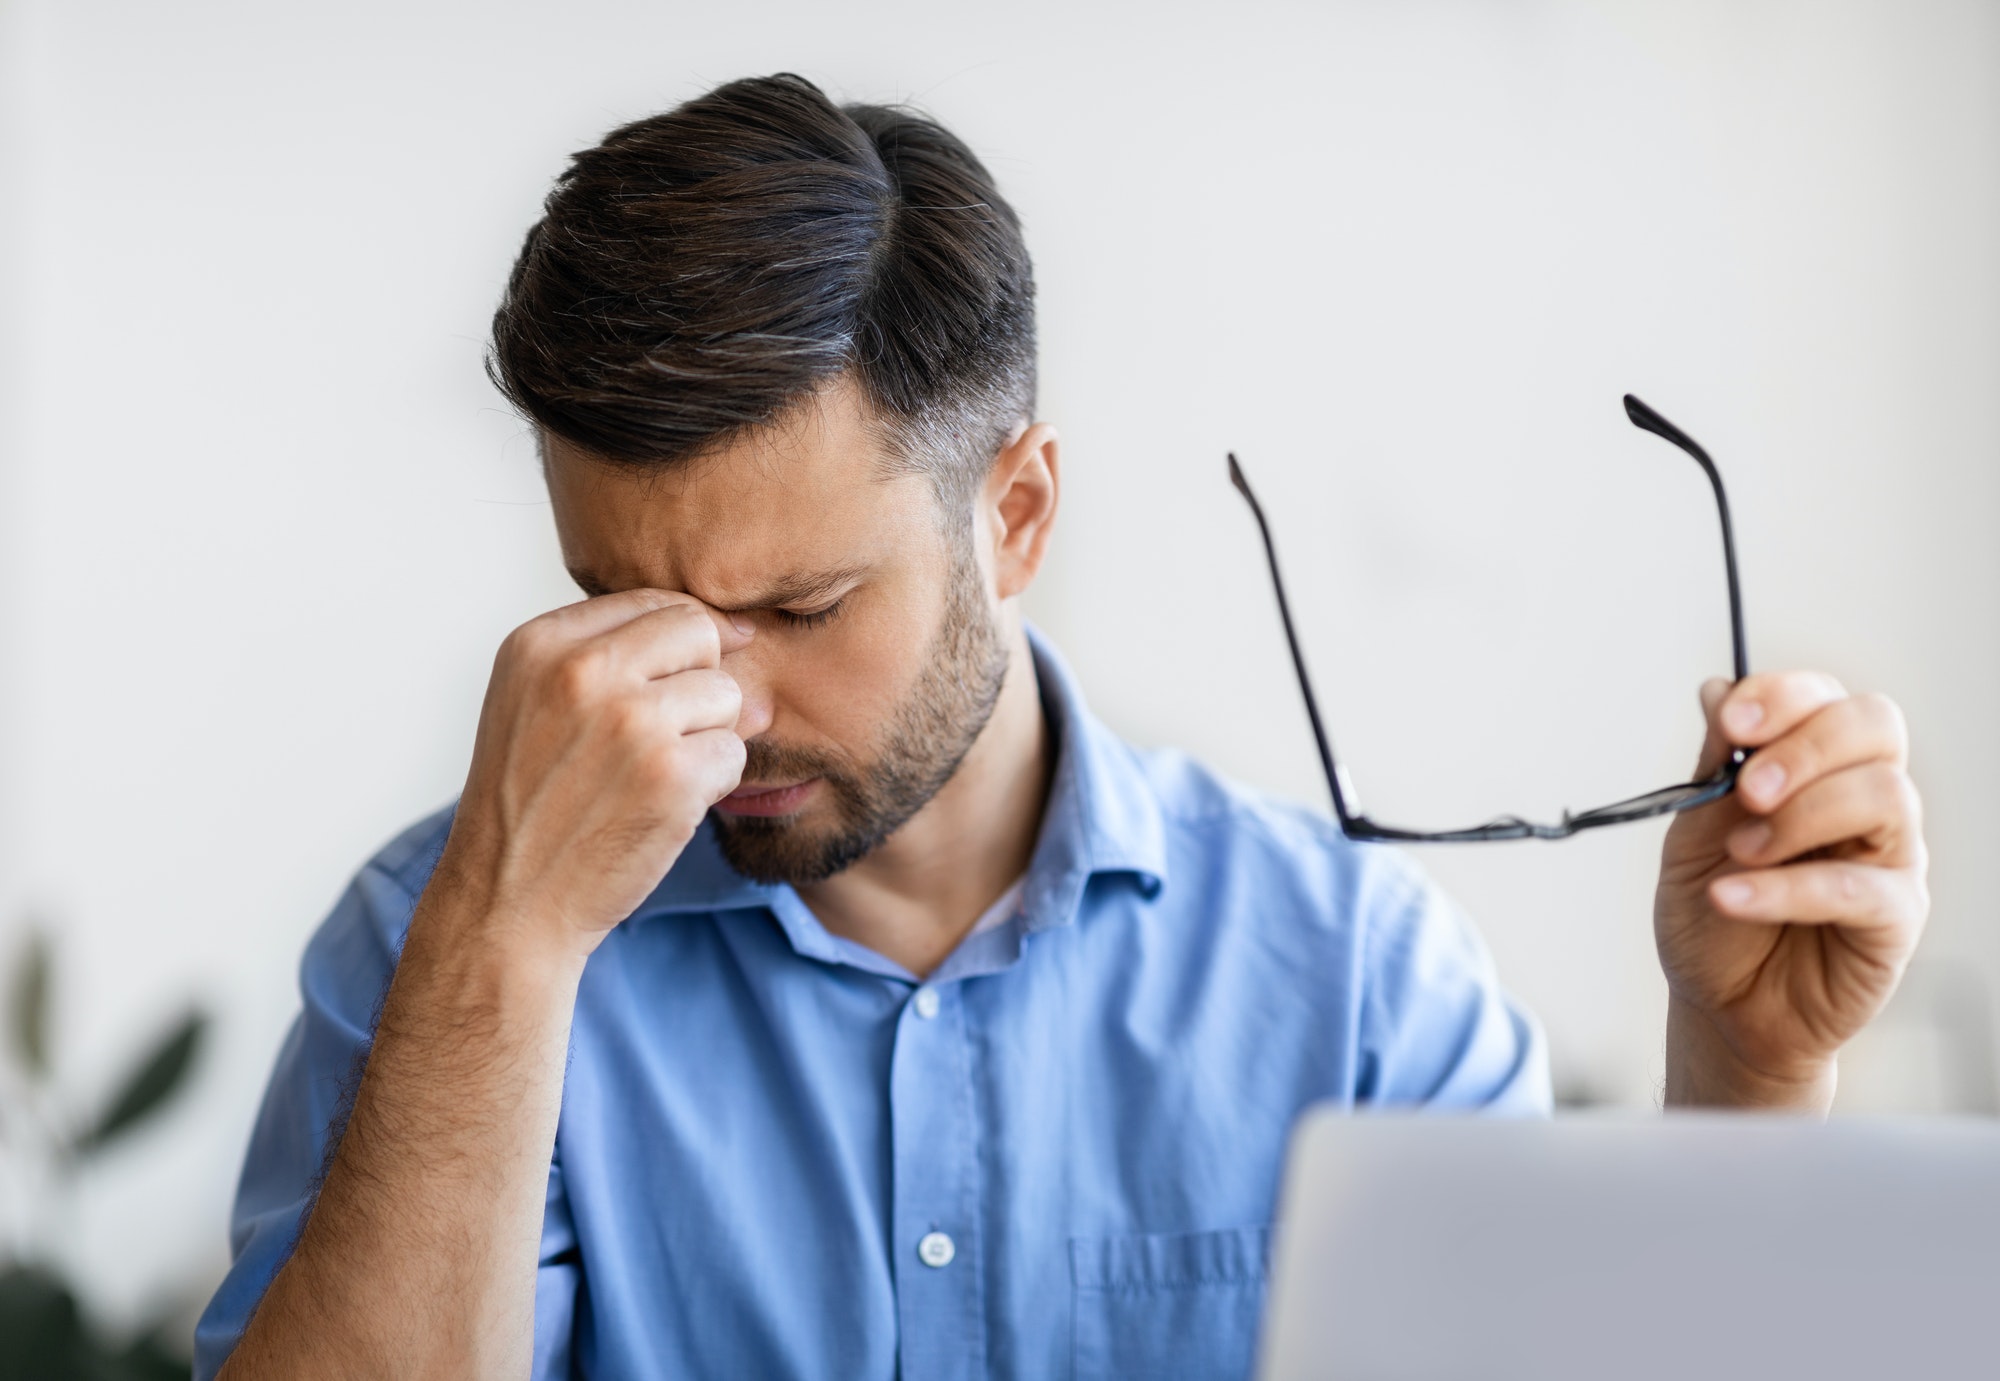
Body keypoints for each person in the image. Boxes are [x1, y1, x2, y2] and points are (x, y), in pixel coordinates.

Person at [194, 73, 1929, 1380]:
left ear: (1015, 514)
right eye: (621, 605)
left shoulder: (1356, 985)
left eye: (799, 609)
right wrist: (507, 945)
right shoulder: (440, 950)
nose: (706, 711)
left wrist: (1754, 1080)